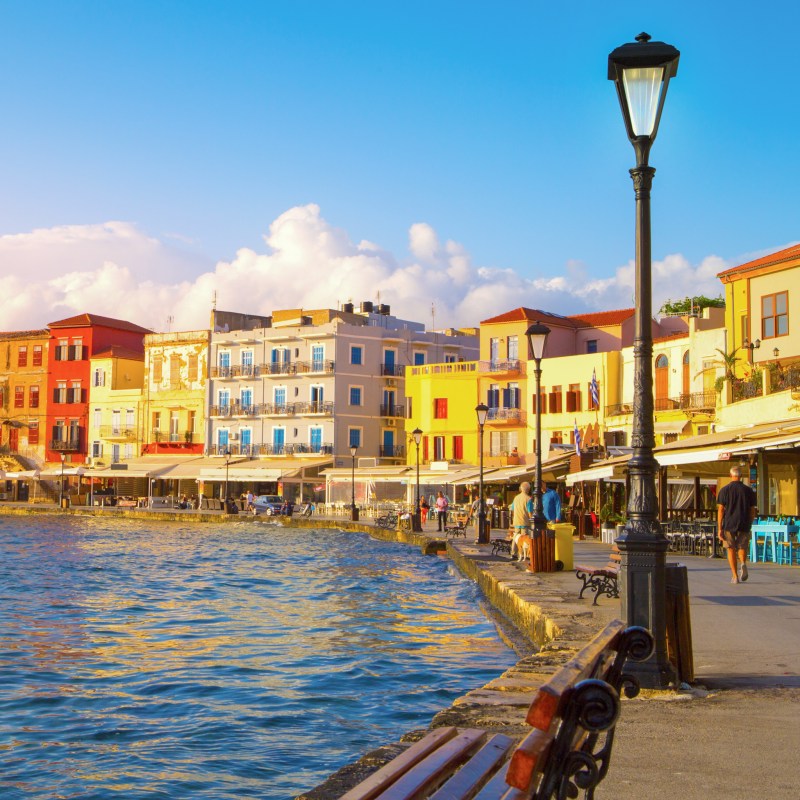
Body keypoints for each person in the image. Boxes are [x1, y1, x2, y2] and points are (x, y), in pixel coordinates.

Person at [717, 466, 757, 584]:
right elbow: (752, 510)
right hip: (744, 522)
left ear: (730, 475)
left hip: (729, 523)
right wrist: (750, 522)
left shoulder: (724, 490)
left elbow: (721, 510)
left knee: (730, 548)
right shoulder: (748, 491)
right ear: (741, 476)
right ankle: (743, 563)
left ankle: (735, 576)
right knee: (742, 546)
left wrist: (720, 528)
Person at [511, 481, 532, 560]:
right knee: (524, 539)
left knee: (516, 538)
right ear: (528, 489)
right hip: (525, 522)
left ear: (521, 489)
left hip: (516, 521)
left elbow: (512, 509)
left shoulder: (516, 498)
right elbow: (530, 512)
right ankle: (524, 555)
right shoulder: (528, 499)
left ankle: (513, 553)